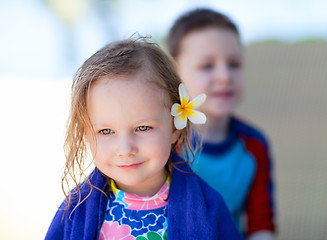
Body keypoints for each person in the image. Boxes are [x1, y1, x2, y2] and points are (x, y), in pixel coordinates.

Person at [45, 37, 242, 240]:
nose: (125, 149)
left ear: (175, 127)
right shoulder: (75, 210)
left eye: (143, 128)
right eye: (106, 131)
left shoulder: (209, 208)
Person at [165, 8, 276, 240]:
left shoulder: (254, 145)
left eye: (234, 64)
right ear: (175, 74)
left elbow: (260, 224)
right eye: (207, 65)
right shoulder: (165, 141)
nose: (225, 75)